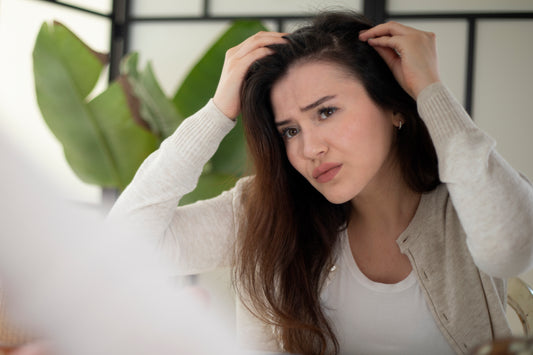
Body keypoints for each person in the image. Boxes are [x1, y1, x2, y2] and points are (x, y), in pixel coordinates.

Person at [109, 11, 533, 355]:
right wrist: (217, 112)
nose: (309, 148)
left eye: (326, 112)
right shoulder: (267, 211)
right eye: (290, 131)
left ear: (394, 108)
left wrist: (431, 91)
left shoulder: (467, 199)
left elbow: (510, 246)